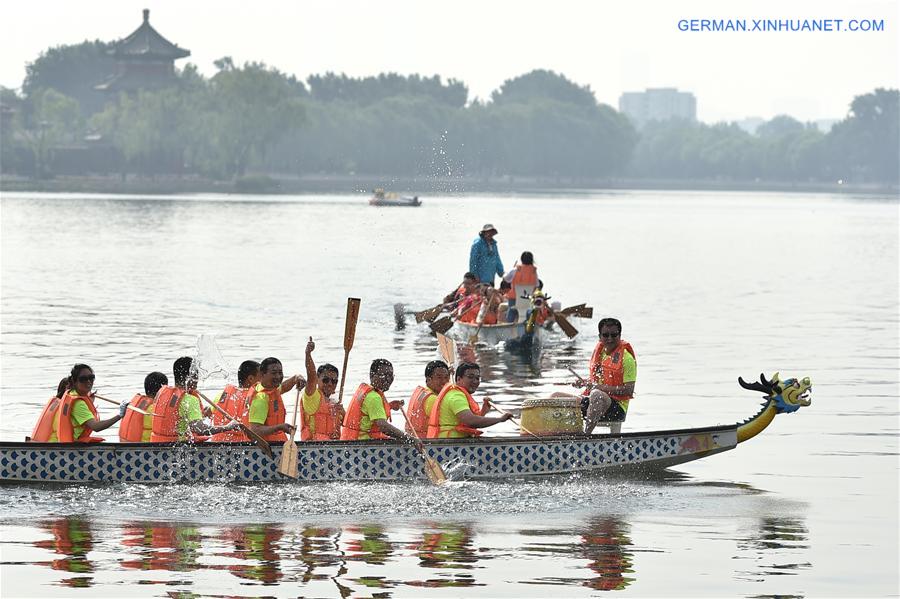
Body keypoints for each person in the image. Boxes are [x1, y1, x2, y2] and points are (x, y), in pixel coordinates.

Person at [31, 364, 129, 443]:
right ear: (74, 381)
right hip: (59, 450)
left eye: (91, 377)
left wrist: (89, 401)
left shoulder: (71, 394)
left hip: (53, 444)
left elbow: (76, 413)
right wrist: (119, 415)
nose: (88, 382)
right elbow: (96, 427)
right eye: (83, 379)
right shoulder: (78, 403)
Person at [151, 356, 239, 442]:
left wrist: (200, 414)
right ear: (188, 378)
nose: (198, 379)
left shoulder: (161, 394)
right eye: (196, 375)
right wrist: (227, 427)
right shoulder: (190, 400)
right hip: (179, 450)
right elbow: (201, 430)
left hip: (158, 445)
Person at [341, 359, 422, 448]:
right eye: (383, 375)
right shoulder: (374, 397)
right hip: (362, 449)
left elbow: (369, 412)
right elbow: (383, 427)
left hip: (351, 443)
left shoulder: (369, 392)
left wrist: (389, 406)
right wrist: (411, 439)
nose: (388, 379)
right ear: (372, 376)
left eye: (390, 376)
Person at [578, 318, 636, 434]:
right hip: (594, 399)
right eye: (606, 335)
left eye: (614, 335)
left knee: (597, 395)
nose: (610, 339)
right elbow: (599, 380)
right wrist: (585, 383)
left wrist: (597, 388)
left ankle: (585, 437)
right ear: (600, 336)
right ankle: (562, 436)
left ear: (619, 335)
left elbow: (629, 390)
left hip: (616, 407)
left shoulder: (627, 359)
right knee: (557, 398)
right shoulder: (601, 353)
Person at [426, 362, 512, 438]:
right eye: (470, 377)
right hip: (447, 447)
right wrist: (500, 419)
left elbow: (468, 421)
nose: (475, 381)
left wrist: (484, 411)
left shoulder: (458, 394)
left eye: (477, 378)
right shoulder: (456, 396)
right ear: (459, 379)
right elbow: (470, 421)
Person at [300, 337, 345, 441]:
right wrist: (308, 354)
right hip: (314, 449)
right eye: (326, 380)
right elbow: (311, 377)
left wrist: (343, 413)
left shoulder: (334, 402)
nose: (330, 384)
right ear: (318, 379)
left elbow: (349, 426)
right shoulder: (312, 397)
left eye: (334, 381)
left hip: (334, 448)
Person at [247, 357, 299, 442]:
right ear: (262, 374)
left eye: (280, 373)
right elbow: (254, 431)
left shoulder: (270, 388)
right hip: (265, 449)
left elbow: (284, 387)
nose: (278, 376)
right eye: (274, 373)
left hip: (277, 444)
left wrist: (295, 378)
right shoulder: (260, 399)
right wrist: (279, 427)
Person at [209, 360, 260, 442]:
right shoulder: (257, 398)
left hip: (217, 443)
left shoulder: (221, 395)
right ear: (251, 378)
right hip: (243, 446)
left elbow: (209, 413)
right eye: (261, 377)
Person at [405, 360, 451, 437]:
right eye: (439, 377)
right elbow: (450, 422)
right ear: (428, 380)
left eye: (446, 377)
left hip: (414, 437)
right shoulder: (432, 399)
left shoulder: (422, 392)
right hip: (425, 442)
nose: (444, 381)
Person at [119, 371, 168, 442]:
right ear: (161, 390)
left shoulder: (132, 406)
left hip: (126, 446)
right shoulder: (154, 411)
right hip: (143, 449)